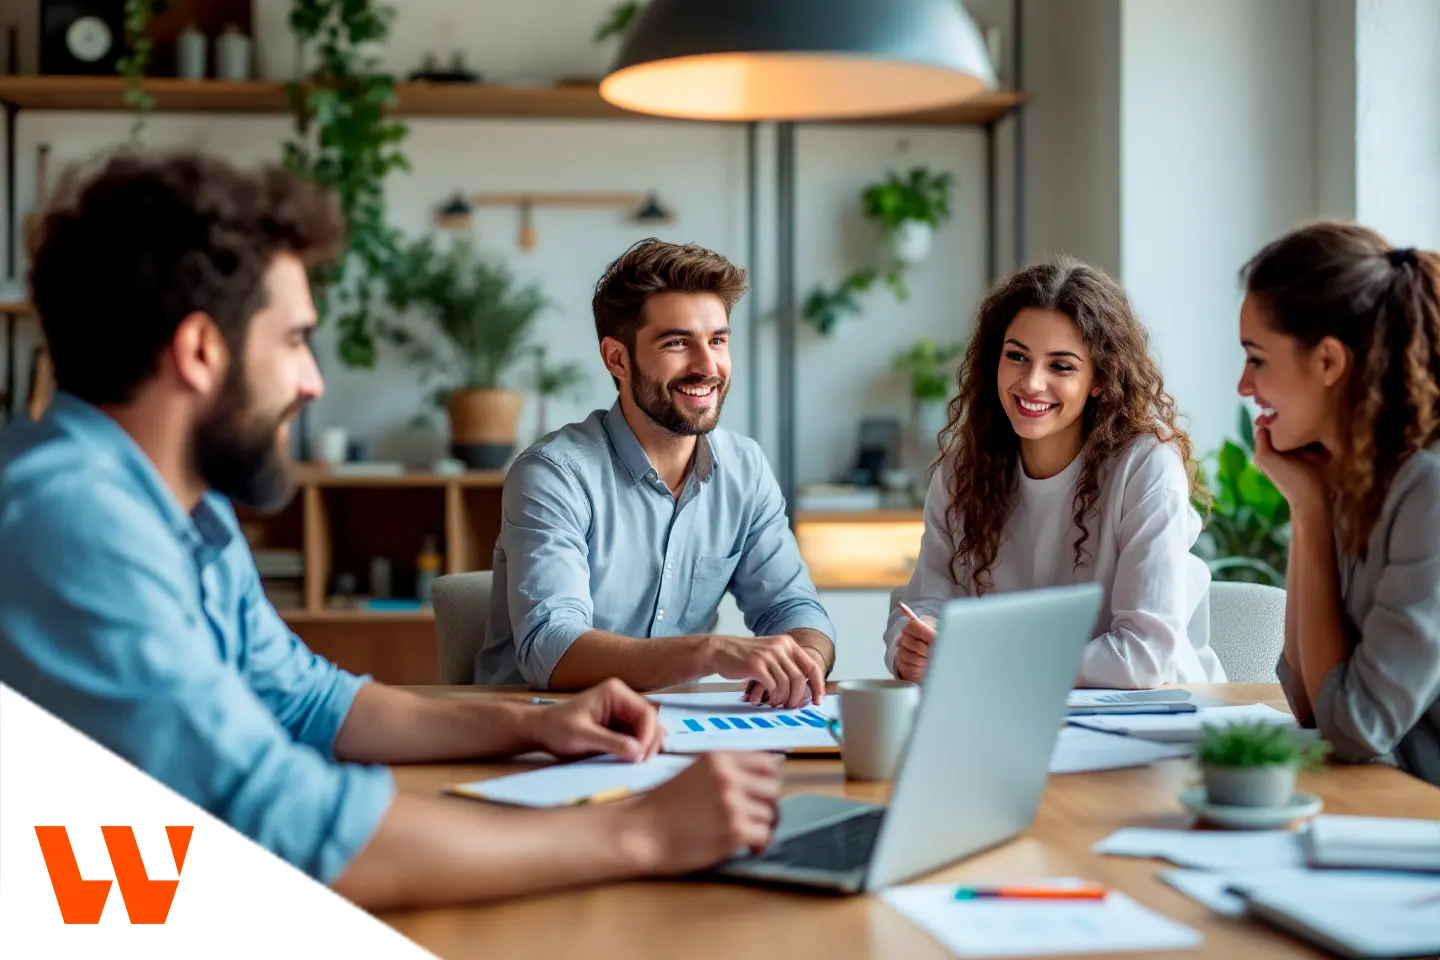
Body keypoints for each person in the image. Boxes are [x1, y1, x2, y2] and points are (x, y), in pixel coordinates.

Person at [0, 152, 784, 910]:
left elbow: (309, 703)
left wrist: (538, 723)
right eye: (295, 341)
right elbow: (283, 826)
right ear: (201, 351)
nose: (312, 382)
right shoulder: (69, 520)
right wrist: (641, 832)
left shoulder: (185, 508)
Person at [478, 238, 836, 708]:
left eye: (718, 340)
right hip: (542, 731)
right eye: (677, 343)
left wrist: (804, 660)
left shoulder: (745, 470)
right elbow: (550, 647)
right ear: (617, 359)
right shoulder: (554, 474)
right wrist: (707, 652)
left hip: (681, 727)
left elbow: (793, 607)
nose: (707, 366)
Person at [884, 257, 1224, 689]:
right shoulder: (964, 467)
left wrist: (983, 659)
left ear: (1100, 378)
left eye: (1061, 366)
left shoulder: (1145, 464)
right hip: (1009, 705)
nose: (1031, 383)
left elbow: (1143, 658)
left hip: (1155, 711)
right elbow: (924, 603)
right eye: (1017, 357)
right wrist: (911, 645)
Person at [1237, 221, 1440, 786]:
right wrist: (1309, 509)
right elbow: (1309, 701)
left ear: (1328, 362)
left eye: (1257, 359)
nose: (1244, 386)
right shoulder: (1353, 478)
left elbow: (1352, 727)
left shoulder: (1428, 488)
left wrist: (1310, 509)